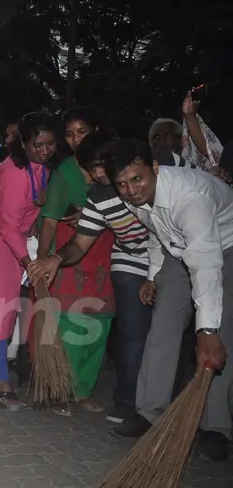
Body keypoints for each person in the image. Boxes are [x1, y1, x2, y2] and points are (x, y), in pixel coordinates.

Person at [28, 131, 194, 424]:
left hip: (176, 254)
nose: (100, 173)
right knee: (132, 332)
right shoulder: (99, 197)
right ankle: (129, 402)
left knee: (170, 333)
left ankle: (172, 405)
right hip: (129, 256)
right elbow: (79, 244)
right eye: (92, 168)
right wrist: (53, 258)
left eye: (104, 164)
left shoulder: (151, 173)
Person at [102, 138, 233, 462]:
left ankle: (217, 428)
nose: (131, 190)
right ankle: (149, 413)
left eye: (137, 179)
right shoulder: (134, 197)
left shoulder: (192, 198)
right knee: (161, 327)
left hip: (224, 249)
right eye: (122, 184)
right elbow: (160, 231)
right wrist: (153, 275)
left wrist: (206, 331)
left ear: (155, 169)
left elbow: (206, 265)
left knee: (221, 336)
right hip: (179, 250)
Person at [34, 107, 115, 416]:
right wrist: (43, 259)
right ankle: (58, 390)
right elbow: (50, 218)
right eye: (69, 134)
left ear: (94, 129)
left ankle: (83, 391)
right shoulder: (65, 171)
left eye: (81, 131)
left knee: (99, 319)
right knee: (67, 320)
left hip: (104, 249)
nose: (75, 138)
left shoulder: (112, 167)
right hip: (69, 251)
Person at [0, 112, 58, 411]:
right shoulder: (14, 172)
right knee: (3, 307)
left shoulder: (42, 167)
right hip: (1, 242)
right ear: (23, 144)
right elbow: (9, 227)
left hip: (18, 241)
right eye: (37, 145)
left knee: (10, 308)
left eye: (50, 144)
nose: (44, 150)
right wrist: (29, 262)